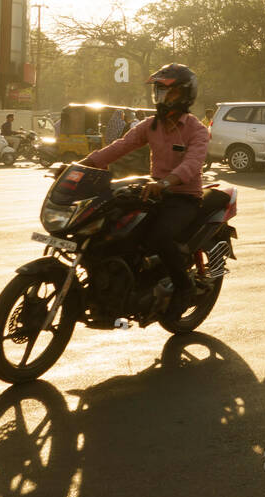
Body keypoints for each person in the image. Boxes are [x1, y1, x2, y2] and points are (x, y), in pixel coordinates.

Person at [80, 64, 210, 319]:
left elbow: (193, 164)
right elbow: (121, 146)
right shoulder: (151, 125)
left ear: (185, 95)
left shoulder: (196, 130)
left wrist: (166, 183)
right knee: (111, 225)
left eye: (168, 93)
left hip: (183, 197)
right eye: (159, 92)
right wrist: (84, 164)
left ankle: (184, 286)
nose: (162, 98)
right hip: (153, 191)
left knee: (160, 237)